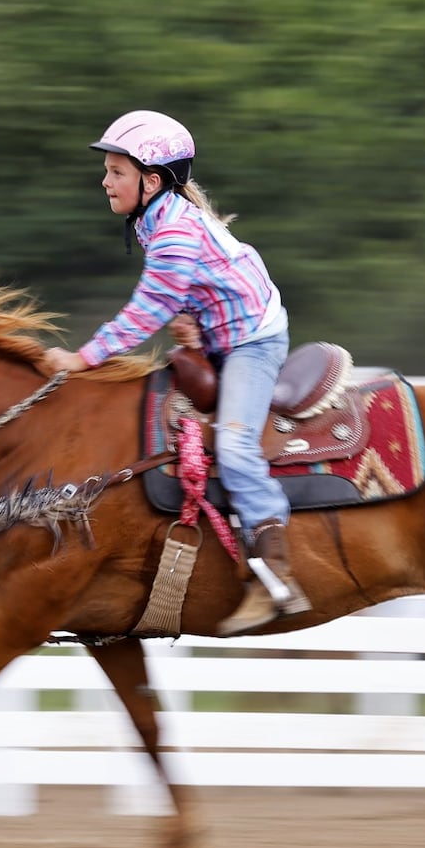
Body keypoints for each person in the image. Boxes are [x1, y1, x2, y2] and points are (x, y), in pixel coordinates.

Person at [45, 110, 309, 635]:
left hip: (252, 343)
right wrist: (193, 320)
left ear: (151, 180)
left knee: (233, 448)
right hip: (222, 334)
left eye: (116, 171)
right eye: (109, 170)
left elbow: (148, 309)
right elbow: (177, 295)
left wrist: (83, 358)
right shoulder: (153, 220)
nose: (105, 180)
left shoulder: (174, 233)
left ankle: (277, 575)